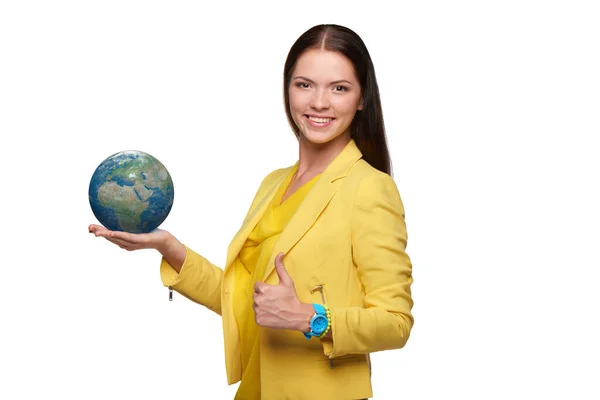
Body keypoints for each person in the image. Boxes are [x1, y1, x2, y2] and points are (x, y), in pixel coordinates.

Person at [89, 23, 414, 400]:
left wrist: (311, 318)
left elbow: (397, 322)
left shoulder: (370, 188)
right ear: (287, 89)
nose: (319, 103)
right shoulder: (273, 183)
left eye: (339, 88)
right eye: (304, 84)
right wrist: (167, 246)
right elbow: (246, 302)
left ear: (361, 98)